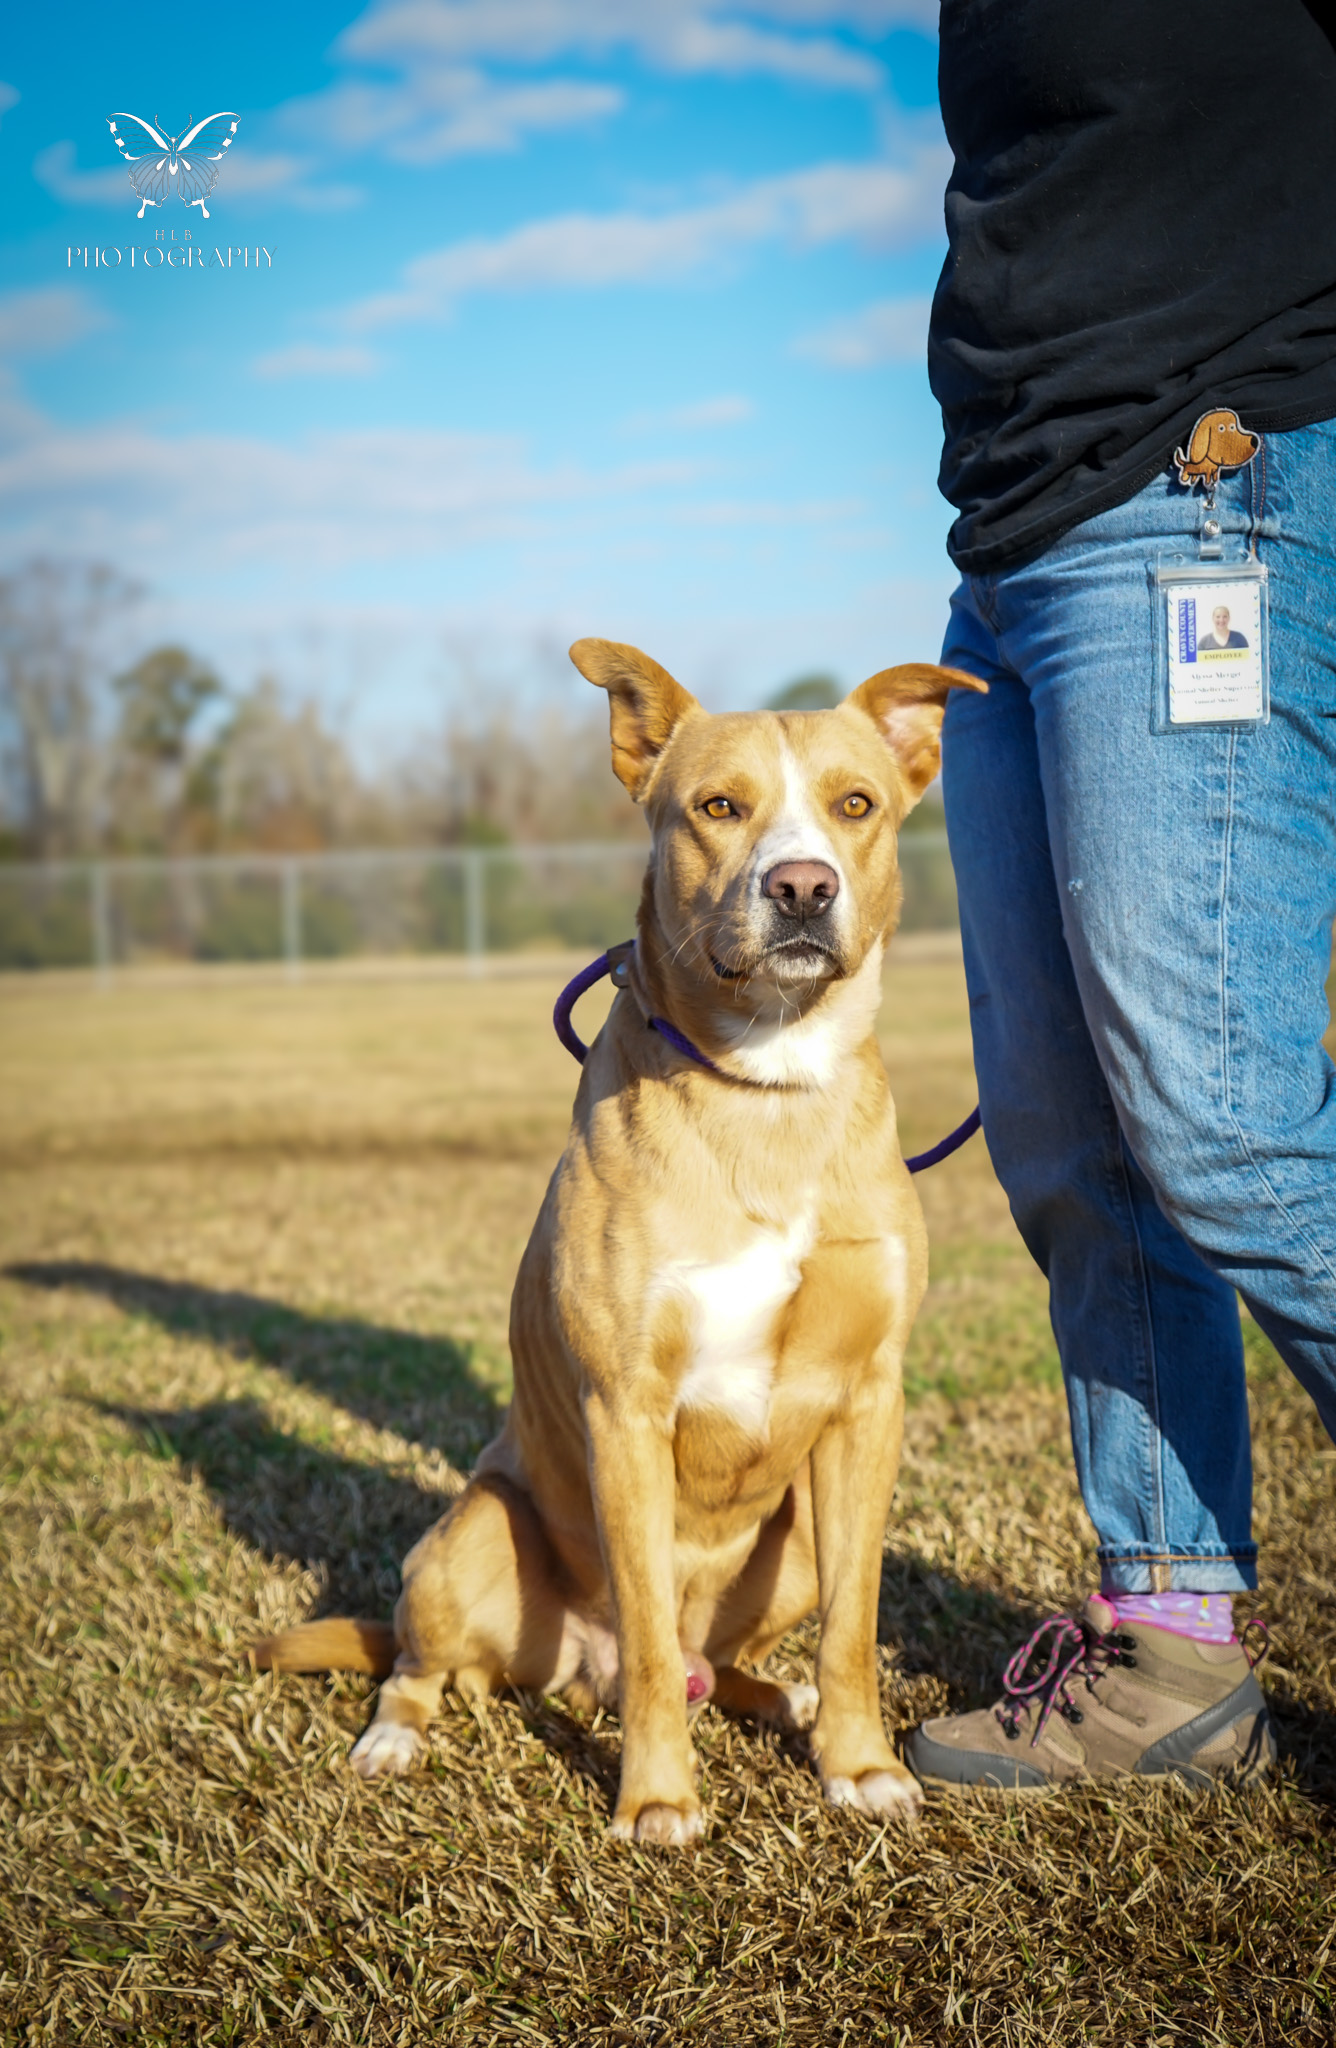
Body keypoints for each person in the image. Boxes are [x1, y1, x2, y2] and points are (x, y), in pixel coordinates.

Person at [906, 1, 1336, 1791]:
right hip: (1011, 548)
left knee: (1221, 1115)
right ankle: (1172, 1641)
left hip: (1201, 478)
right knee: (1072, 1137)